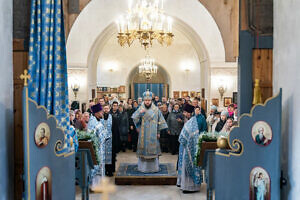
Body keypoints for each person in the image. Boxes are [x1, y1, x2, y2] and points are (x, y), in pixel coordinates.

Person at [132, 90, 168, 173]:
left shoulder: (156, 110)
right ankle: (143, 168)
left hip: (153, 133)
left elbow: (160, 121)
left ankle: (154, 168)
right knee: (144, 150)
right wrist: (140, 114)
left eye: (149, 100)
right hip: (143, 134)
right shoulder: (140, 109)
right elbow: (134, 119)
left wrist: (158, 132)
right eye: (146, 100)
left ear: (151, 100)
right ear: (144, 100)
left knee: (153, 150)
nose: (147, 102)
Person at [177, 105, 207, 193]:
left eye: (185, 112)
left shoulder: (192, 121)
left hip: (190, 147)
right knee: (186, 166)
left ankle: (190, 187)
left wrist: (182, 139)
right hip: (187, 146)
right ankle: (185, 185)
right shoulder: (190, 120)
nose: (184, 113)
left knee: (189, 166)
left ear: (189, 113)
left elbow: (188, 134)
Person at [87, 103, 110, 189]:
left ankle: (100, 185)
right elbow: (91, 137)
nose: (102, 113)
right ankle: (94, 186)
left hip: (100, 148)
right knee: (95, 167)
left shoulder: (99, 120)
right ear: (96, 112)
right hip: (95, 149)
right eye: (101, 112)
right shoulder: (92, 122)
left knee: (100, 167)